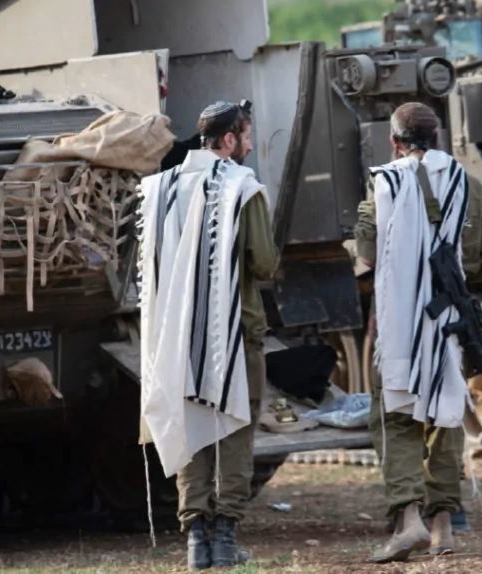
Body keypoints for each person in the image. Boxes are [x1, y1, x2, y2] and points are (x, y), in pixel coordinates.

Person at [353, 102, 482, 563]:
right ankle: (443, 527)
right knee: (446, 415)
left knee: (396, 415)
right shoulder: (467, 184)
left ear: (394, 142)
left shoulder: (383, 182)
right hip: (449, 319)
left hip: (399, 321)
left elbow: (366, 251)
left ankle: (408, 521)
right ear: (438, 137)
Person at [138, 100, 277, 570]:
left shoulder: (159, 188)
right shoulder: (243, 186)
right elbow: (264, 263)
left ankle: (197, 538)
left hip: (174, 336)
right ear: (231, 139)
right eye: (247, 135)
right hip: (237, 331)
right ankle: (225, 537)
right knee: (234, 426)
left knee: (190, 425)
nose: (251, 145)